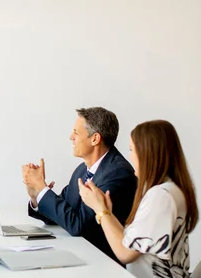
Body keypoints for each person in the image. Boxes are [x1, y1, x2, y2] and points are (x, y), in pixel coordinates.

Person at [78, 119, 199, 278]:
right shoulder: (169, 190)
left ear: (148, 153)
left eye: (132, 150)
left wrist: (100, 210)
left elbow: (125, 254)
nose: (129, 156)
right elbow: (130, 242)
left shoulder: (160, 197)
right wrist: (106, 212)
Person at [22, 107, 137, 264]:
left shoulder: (117, 173)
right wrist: (37, 195)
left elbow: (78, 226)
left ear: (95, 139)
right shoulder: (82, 169)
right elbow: (60, 215)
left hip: (103, 264)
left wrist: (43, 189)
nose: (71, 137)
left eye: (76, 133)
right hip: (80, 255)